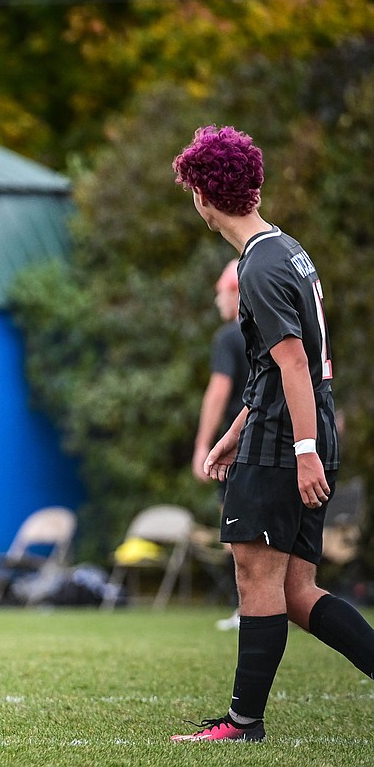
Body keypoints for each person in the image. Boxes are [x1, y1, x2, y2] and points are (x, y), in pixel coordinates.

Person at [171, 125, 374, 742]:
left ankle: (242, 723)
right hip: (286, 434)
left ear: (205, 195)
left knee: (256, 580)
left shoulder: (256, 264)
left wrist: (303, 451)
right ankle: (244, 719)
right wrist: (237, 430)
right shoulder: (286, 249)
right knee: (295, 590)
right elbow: (272, 366)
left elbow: (292, 365)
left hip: (288, 443)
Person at [192, 259, 249, 631]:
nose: (217, 301)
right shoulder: (281, 330)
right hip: (280, 444)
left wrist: (202, 446)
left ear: (236, 292)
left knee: (236, 534)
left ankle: (247, 609)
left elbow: (218, 392)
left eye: (221, 293)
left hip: (239, 446)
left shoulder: (230, 337)